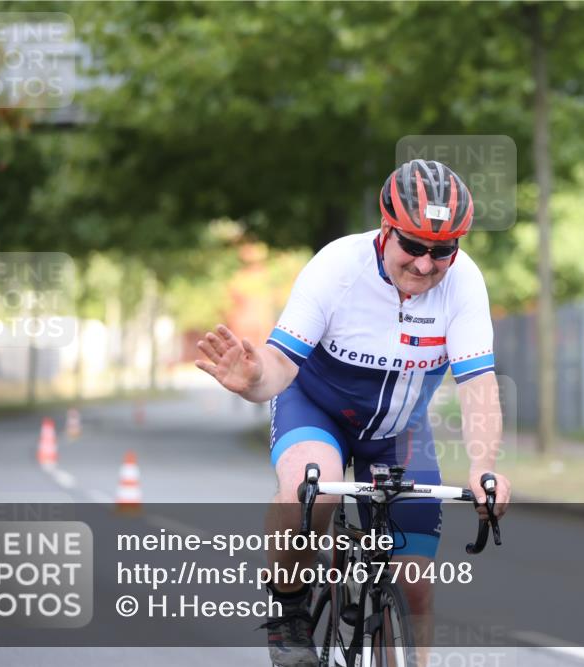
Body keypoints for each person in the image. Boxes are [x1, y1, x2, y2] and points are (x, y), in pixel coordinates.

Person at [196, 159, 511, 666]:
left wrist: (483, 467)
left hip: (397, 431)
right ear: (387, 230)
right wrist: (253, 380)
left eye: (443, 250)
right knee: (308, 489)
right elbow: (279, 365)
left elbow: (477, 384)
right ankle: (290, 611)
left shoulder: (465, 283)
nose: (427, 265)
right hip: (318, 408)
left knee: (415, 590)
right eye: (412, 245)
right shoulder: (337, 267)